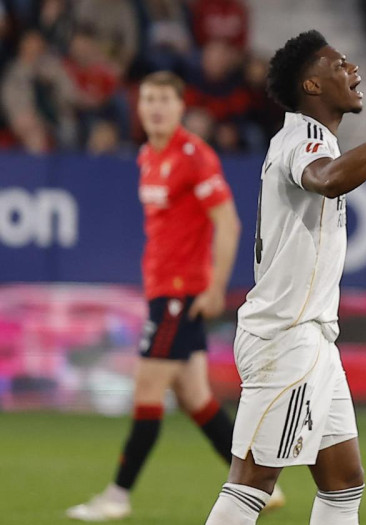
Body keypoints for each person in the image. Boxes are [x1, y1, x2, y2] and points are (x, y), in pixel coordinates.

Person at [203, 30, 366, 524]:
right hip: (286, 338)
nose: (354, 71)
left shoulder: (308, 140)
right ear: (311, 87)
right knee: (250, 485)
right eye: (339, 65)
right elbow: (329, 177)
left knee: (343, 485)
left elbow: (336, 172)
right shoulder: (306, 139)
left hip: (310, 339)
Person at [66, 70, 272, 521]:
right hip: (162, 292)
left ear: (181, 108)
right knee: (196, 398)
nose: (156, 107)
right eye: (148, 100)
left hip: (182, 294)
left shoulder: (195, 157)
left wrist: (216, 287)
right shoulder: (146, 155)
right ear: (139, 108)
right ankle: (260, 486)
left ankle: (117, 495)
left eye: (164, 100)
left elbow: (228, 223)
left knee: (146, 389)